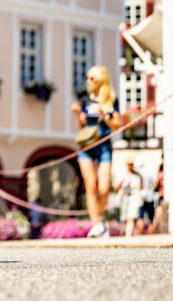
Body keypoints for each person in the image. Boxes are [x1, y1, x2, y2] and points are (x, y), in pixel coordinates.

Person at [72, 65, 122, 238]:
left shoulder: (111, 100)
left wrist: (104, 115)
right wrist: (78, 115)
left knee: (104, 188)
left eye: (92, 78)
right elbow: (82, 126)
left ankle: (100, 219)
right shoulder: (85, 100)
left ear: (101, 80)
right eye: (87, 78)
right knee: (91, 186)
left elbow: (116, 126)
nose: (88, 81)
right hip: (86, 146)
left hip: (104, 145)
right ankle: (95, 225)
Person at [115, 156, 144, 237]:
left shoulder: (137, 175)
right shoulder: (122, 174)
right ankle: (126, 234)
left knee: (131, 217)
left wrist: (137, 186)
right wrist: (122, 182)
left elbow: (142, 186)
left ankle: (128, 236)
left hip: (134, 197)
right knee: (124, 217)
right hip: (124, 197)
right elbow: (115, 188)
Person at [135, 156, 156, 235]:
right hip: (149, 197)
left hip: (140, 198)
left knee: (140, 218)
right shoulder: (148, 172)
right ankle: (152, 236)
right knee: (151, 219)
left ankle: (141, 236)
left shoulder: (136, 173)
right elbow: (154, 184)